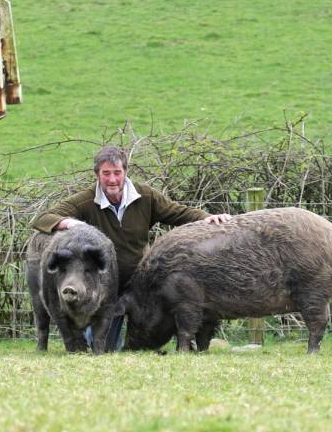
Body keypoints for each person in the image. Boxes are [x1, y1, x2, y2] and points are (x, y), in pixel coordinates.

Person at [31, 145, 231, 349]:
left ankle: (181, 342)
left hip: (139, 281)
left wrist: (208, 218)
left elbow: (178, 213)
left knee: (161, 315)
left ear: (125, 172)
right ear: (97, 174)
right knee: (105, 347)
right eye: (106, 173)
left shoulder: (145, 196)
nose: (112, 180)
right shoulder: (85, 200)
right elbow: (42, 218)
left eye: (117, 173)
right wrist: (70, 223)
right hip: (105, 284)